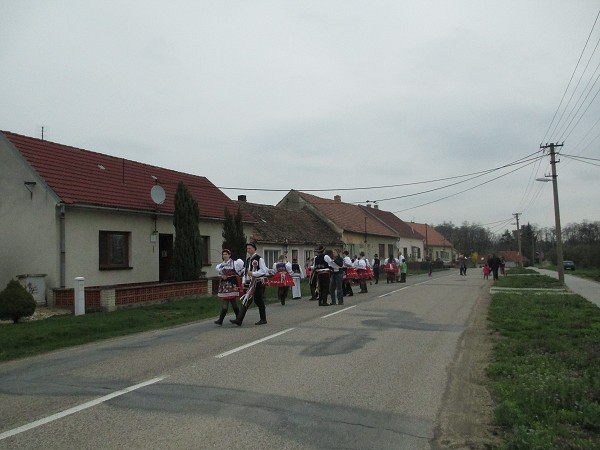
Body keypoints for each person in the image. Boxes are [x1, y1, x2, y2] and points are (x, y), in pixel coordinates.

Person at [230, 242, 268, 326]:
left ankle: (263, 319)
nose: (248, 250)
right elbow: (246, 272)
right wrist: (244, 281)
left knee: (258, 300)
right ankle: (239, 320)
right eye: (247, 248)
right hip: (249, 283)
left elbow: (263, 270)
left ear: (254, 249)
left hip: (257, 282)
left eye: (250, 248)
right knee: (246, 300)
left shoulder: (259, 259)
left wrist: (254, 274)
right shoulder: (247, 260)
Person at [214, 249, 244, 325]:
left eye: (226, 254)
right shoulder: (221, 265)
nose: (224, 256)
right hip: (224, 285)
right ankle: (238, 319)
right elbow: (219, 273)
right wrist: (222, 276)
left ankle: (223, 320)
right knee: (230, 301)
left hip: (232, 284)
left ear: (229, 255)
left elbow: (240, 272)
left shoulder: (235, 263)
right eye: (223, 254)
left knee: (230, 301)